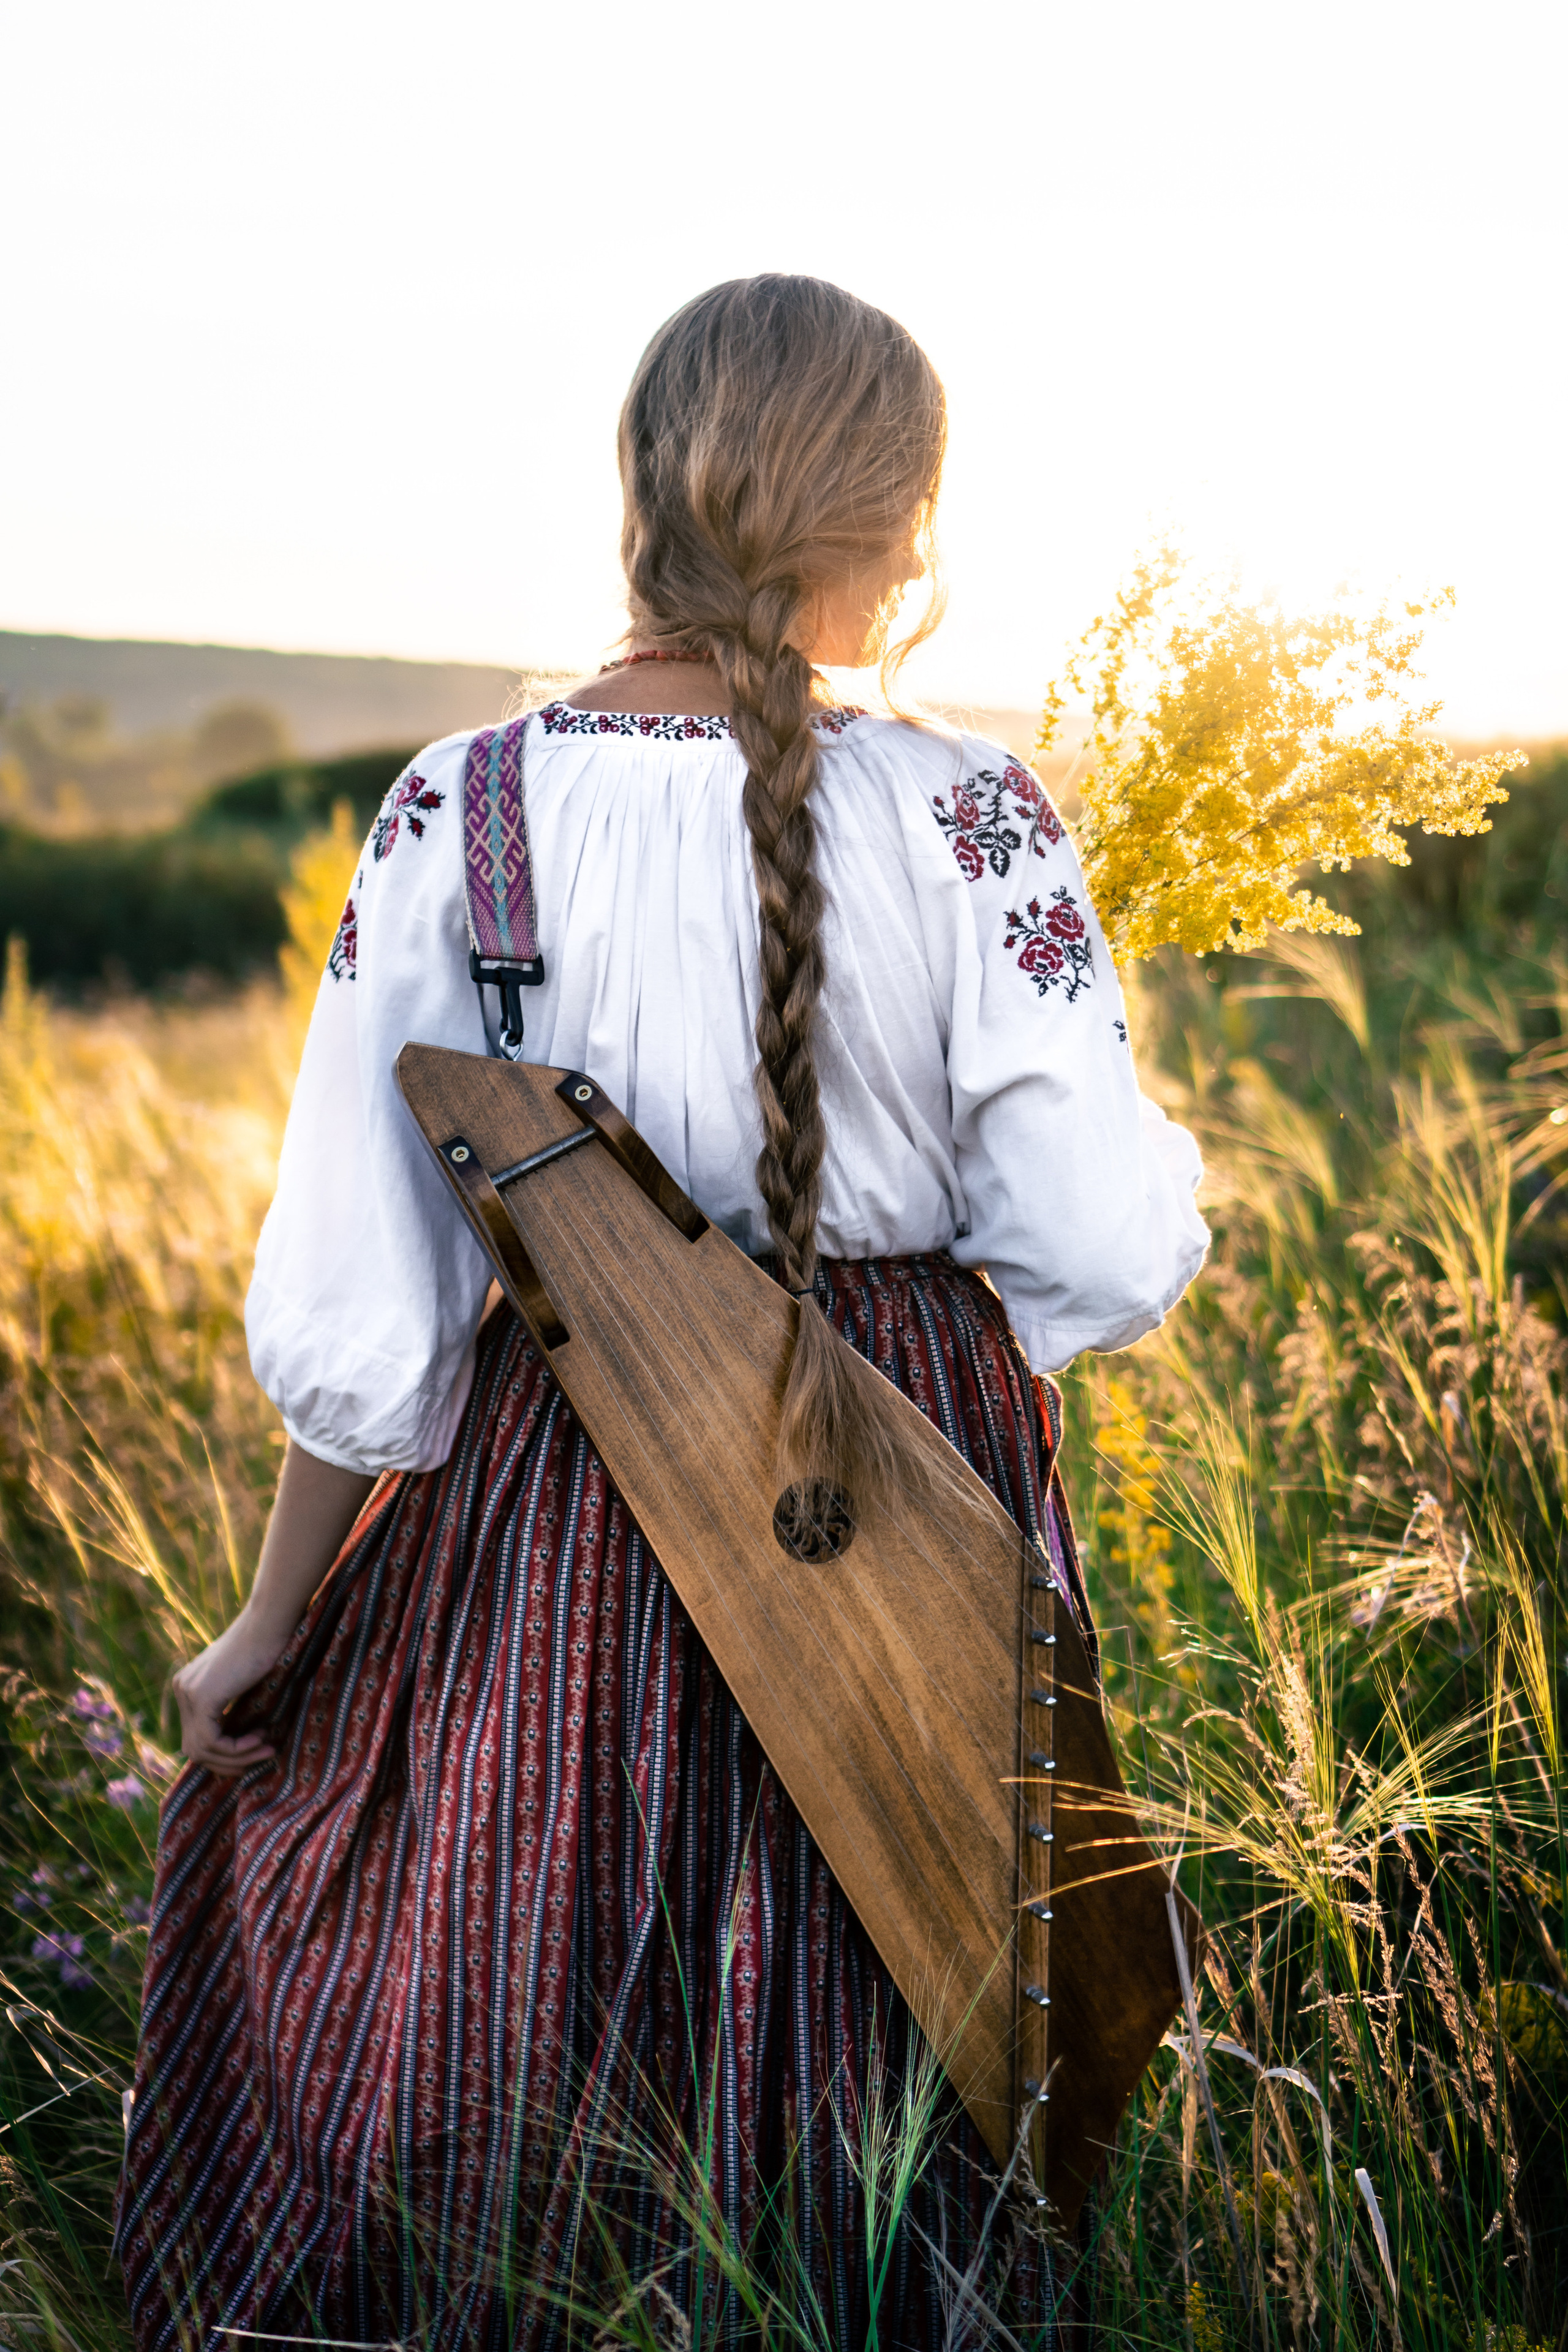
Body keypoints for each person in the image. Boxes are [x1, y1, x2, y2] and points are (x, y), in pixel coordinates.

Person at [116, 274, 1207, 2350]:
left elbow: (376, 1301)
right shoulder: (981, 817)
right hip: (912, 1509)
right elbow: (1095, 1249)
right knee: (932, 2030)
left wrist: (271, 1627)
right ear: (895, 530)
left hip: (560, 1499)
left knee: (528, 2010)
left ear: (643, 498)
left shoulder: (466, 805)